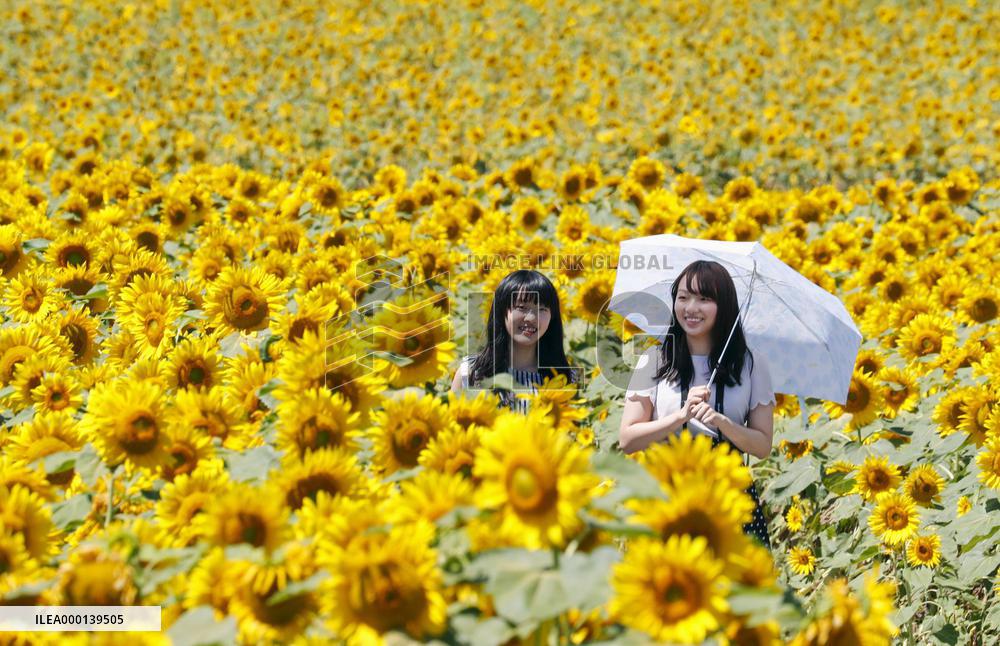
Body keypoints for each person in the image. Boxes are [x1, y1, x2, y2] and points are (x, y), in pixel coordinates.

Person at [618, 259, 776, 548]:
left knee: (737, 588)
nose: (691, 308)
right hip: (667, 494)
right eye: (683, 297)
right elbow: (628, 439)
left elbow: (762, 446)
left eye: (704, 299)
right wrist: (679, 417)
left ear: (724, 305)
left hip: (730, 496)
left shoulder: (752, 365)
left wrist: (721, 421)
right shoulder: (652, 361)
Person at [450, 269, 578, 413]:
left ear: (552, 318)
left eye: (542, 309)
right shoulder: (470, 373)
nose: (531, 318)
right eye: (521, 307)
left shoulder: (566, 379)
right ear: (501, 312)